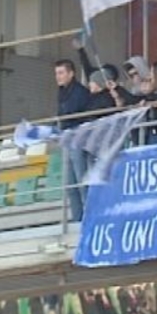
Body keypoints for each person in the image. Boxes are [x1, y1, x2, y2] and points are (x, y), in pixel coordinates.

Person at [55, 59, 91, 222]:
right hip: (66, 137)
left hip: (77, 136)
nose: (58, 77)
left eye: (61, 73)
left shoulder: (80, 91)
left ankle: (90, 215)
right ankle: (78, 218)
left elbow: (74, 113)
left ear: (71, 73)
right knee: (70, 183)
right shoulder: (61, 92)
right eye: (56, 73)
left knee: (81, 179)